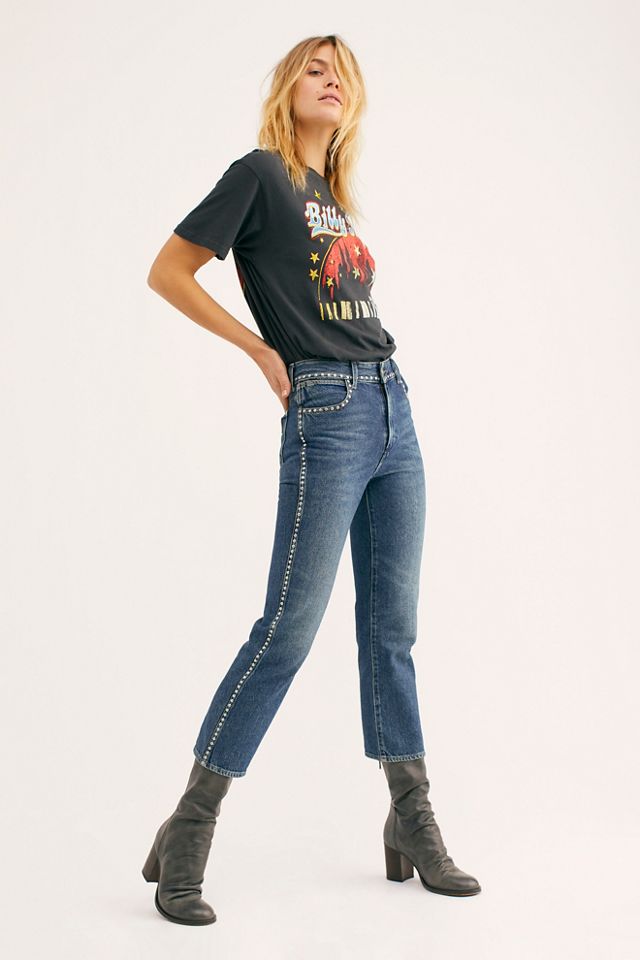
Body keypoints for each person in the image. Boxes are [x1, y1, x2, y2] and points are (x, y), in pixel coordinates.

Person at [142, 33, 481, 926]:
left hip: (393, 404)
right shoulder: (260, 175)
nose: (331, 83)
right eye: (315, 70)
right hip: (326, 410)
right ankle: (191, 825)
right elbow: (169, 270)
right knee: (288, 629)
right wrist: (259, 349)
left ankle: (410, 817)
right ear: (288, 87)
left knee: (392, 631)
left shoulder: (331, 197)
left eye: (343, 75)